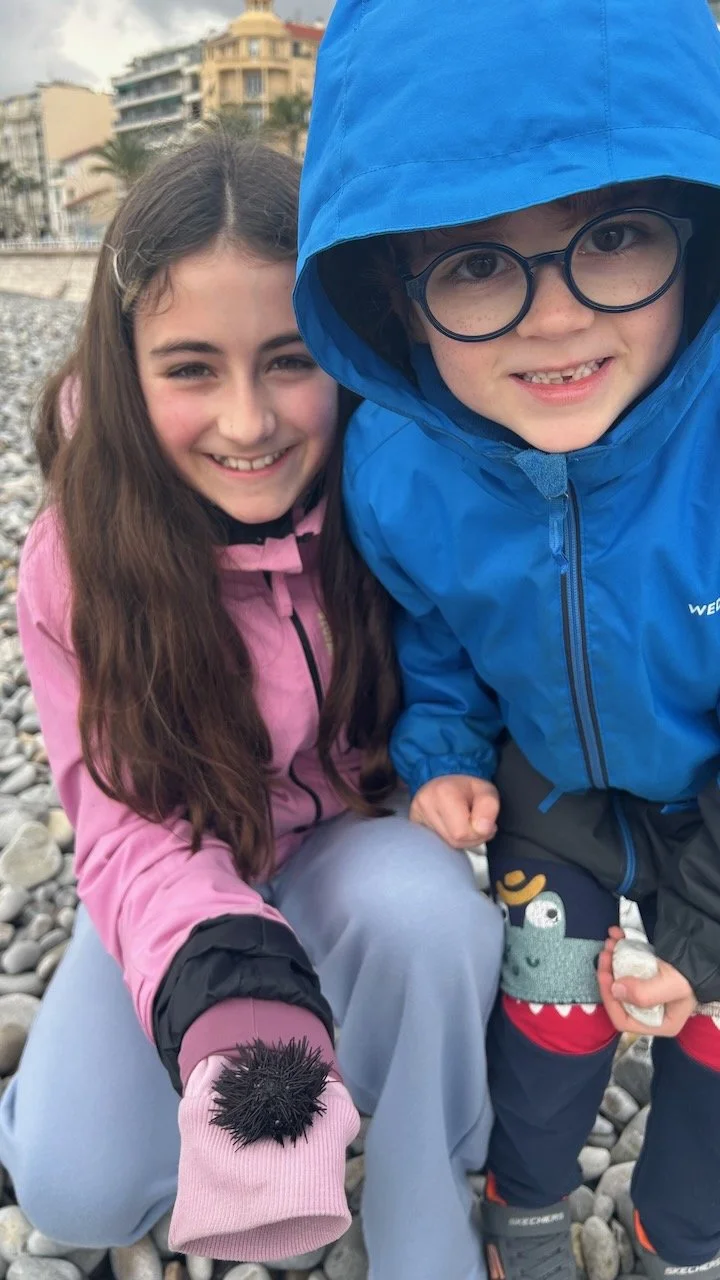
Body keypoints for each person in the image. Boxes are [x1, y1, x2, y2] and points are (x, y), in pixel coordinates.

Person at [0, 134, 503, 1279]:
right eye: (190, 368)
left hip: (353, 849)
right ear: (124, 366)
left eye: (289, 359)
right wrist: (228, 983)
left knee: (434, 919)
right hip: (177, 860)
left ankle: (426, 1197)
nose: (246, 421)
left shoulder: (398, 497)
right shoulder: (76, 557)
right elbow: (121, 820)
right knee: (78, 1189)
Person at [293, 0, 720, 1275]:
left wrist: (699, 947)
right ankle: (523, 1213)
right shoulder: (398, 465)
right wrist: (440, 753)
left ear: (696, 232)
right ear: (394, 297)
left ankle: (680, 1237)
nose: (554, 318)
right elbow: (435, 631)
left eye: (616, 237)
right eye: (478, 263)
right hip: (552, 784)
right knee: (547, 1015)